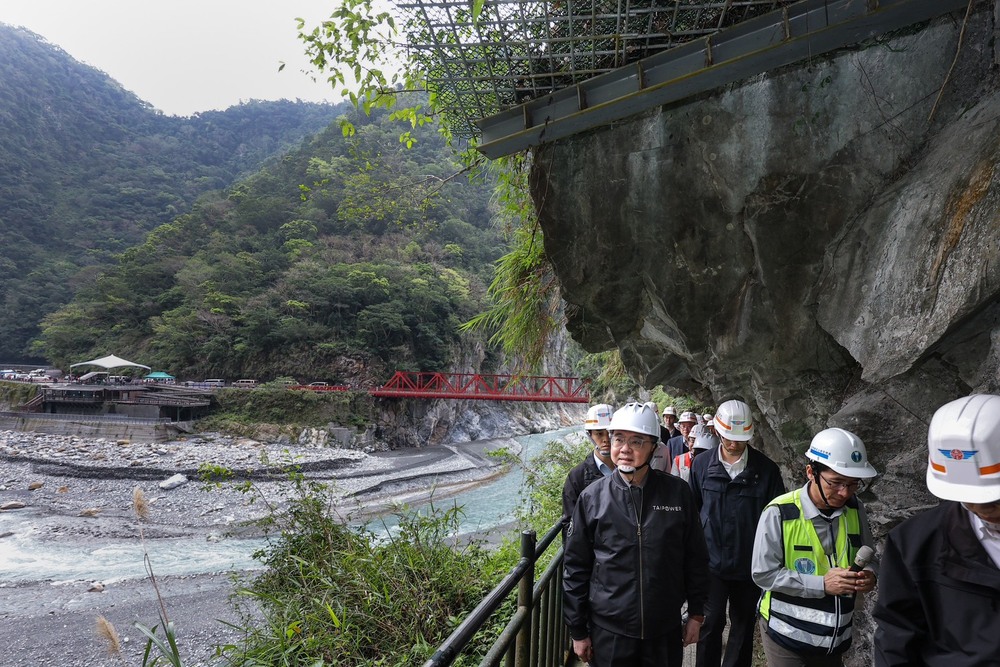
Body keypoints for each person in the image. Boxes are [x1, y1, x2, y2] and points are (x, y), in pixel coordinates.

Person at [564, 402, 710, 666]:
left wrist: (696, 614)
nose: (625, 449)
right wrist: (578, 630)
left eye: (637, 441)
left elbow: (695, 557)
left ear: (653, 446)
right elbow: (576, 566)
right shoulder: (592, 498)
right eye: (619, 439)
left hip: (663, 628)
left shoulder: (677, 493)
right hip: (610, 631)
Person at [873, 394, 1000, 666]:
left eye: (994, 499)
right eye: (969, 499)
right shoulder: (915, 544)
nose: (982, 508)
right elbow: (896, 635)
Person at [752, 427, 878, 667]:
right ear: (811, 472)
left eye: (853, 484)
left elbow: (870, 555)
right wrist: (821, 584)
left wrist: (870, 575)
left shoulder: (855, 508)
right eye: (836, 483)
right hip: (785, 634)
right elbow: (763, 573)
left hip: (834, 639)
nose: (844, 492)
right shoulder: (779, 512)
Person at [689, 399, 785, 667]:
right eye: (729, 438)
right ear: (718, 432)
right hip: (712, 565)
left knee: (743, 628)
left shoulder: (766, 471)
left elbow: (776, 521)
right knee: (710, 623)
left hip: (750, 565)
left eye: (740, 439)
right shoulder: (701, 465)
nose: (733, 444)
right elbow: (692, 514)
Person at [562, 403, 615, 522]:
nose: (606, 439)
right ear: (590, 435)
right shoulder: (577, 477)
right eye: (599, 433)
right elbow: (570, 523)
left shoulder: (629, 468)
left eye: (610, 433)